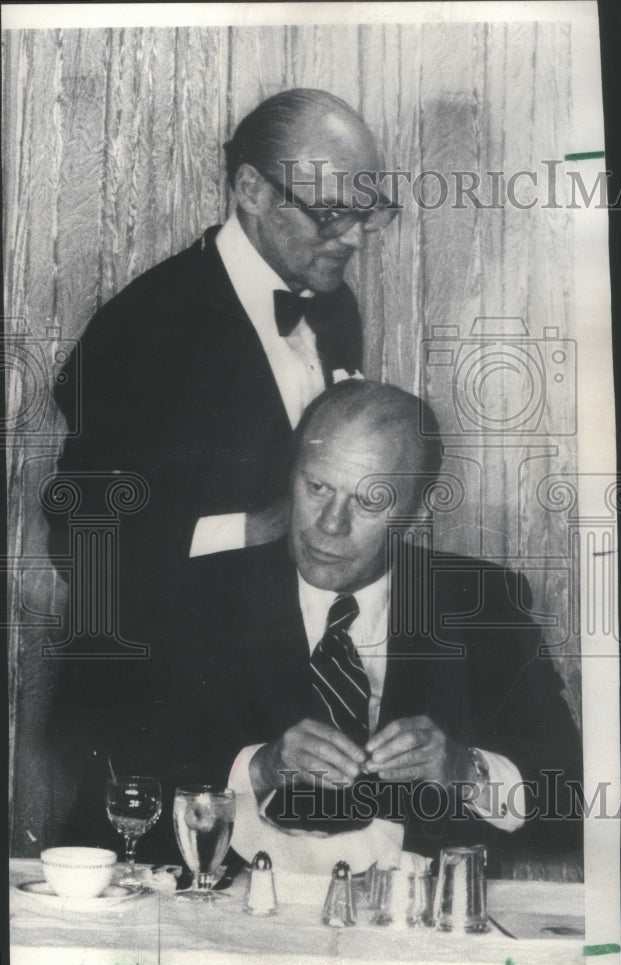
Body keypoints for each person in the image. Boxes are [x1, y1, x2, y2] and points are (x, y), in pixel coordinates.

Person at [47, 89, 397, 841]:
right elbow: (82, 543)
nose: (357, 239)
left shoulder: (333, 306)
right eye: (333, 212)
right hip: (158, 714)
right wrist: (262, 525)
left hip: (283, 696)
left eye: (369, 213)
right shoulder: (143, 328)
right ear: (250, 191)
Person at [164, 380, 583, 873]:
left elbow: (571, 803)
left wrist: (465, 772)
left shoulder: (479, 601)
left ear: (419, 509)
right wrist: (258, 769)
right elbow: (118, 778)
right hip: (233, 913)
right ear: (291, 475)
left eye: (368, 502)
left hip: (411, 924)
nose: (330, 524)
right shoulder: (195, 596)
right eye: (317, 487)